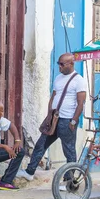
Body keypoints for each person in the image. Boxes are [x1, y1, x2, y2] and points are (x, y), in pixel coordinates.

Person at [18, 53, 88, 181]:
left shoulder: (79, 80)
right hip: (54, 119)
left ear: (71, 64)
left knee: (69, 151)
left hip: (67, 120)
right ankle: (30, 172)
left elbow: (80, 104)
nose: (59, 67)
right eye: (58, 64)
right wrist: (49, 114)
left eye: (62, 64)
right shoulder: (58, 78)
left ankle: (69, 181)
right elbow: (54, 96)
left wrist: (73, 121)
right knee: (41, 144)